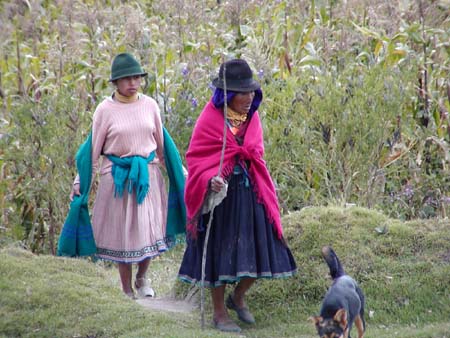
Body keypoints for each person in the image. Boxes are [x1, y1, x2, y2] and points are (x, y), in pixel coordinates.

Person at [178, 59, 297, 332]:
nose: (249, 97)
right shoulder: (209, 120)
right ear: (229, 94)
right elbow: (197, 160)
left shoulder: (251, 118)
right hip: (222, 201)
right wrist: (211, 180)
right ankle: (219, 313)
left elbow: (256, 153)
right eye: (243, 92)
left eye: (251, 91)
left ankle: (239, 296)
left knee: (264, 245)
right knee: (220, 251)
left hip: (251, 192)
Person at [60, 52, 186, 299]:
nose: (133, 83)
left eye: (137, 78)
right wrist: (79, 181)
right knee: (123, 235)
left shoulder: (150, 105)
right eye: (127, 79)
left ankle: (142, 277)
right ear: (116, 82)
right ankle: (127, 288)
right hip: (116, 179)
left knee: (149, 231)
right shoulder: (105, 110)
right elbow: (92, 151)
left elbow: (161, 145)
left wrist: (179, 172)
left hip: (147, 177)